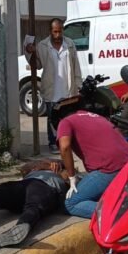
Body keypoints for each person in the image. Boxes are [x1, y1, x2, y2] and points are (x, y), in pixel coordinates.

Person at [57, 109, 128, 218]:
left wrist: (72, 177)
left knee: (71, 203)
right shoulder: (97, 117)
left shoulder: (65, 122)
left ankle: (124, 214)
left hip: (109, 169)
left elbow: (65, 147)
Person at [24, 18, 83, 154]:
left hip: (68, 90)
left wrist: (78, 85)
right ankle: (53, 143)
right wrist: (29, 52)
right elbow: (37, 65)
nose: (58, 35)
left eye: (60, 31)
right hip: (51, 89)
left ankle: (68, 143)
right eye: (55, 32)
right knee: (52, 119)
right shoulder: (43, 46)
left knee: (68, 119)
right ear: (50, 31)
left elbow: (76, 67)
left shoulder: (70, 44)